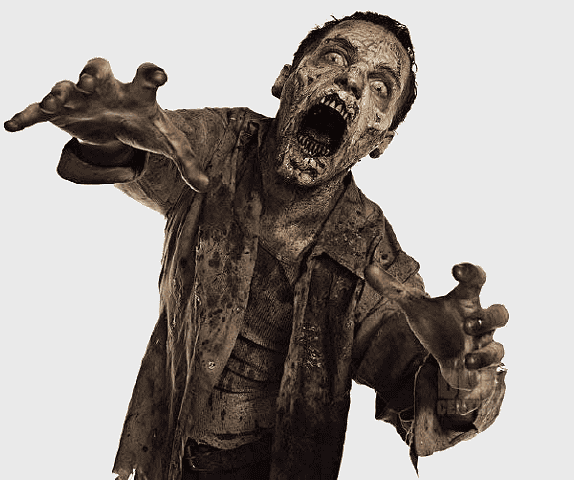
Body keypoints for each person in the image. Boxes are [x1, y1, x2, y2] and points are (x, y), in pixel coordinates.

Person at [4, 11, 508, 480]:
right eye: (335, 57)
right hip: (164, 451)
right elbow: (158, 146)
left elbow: (416, 379)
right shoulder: (223, 144)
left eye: (380, 87)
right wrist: (109, 134)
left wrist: (461, 385)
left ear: (382, 139)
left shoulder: (371, 252)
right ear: (286, 79)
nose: (352, 81)